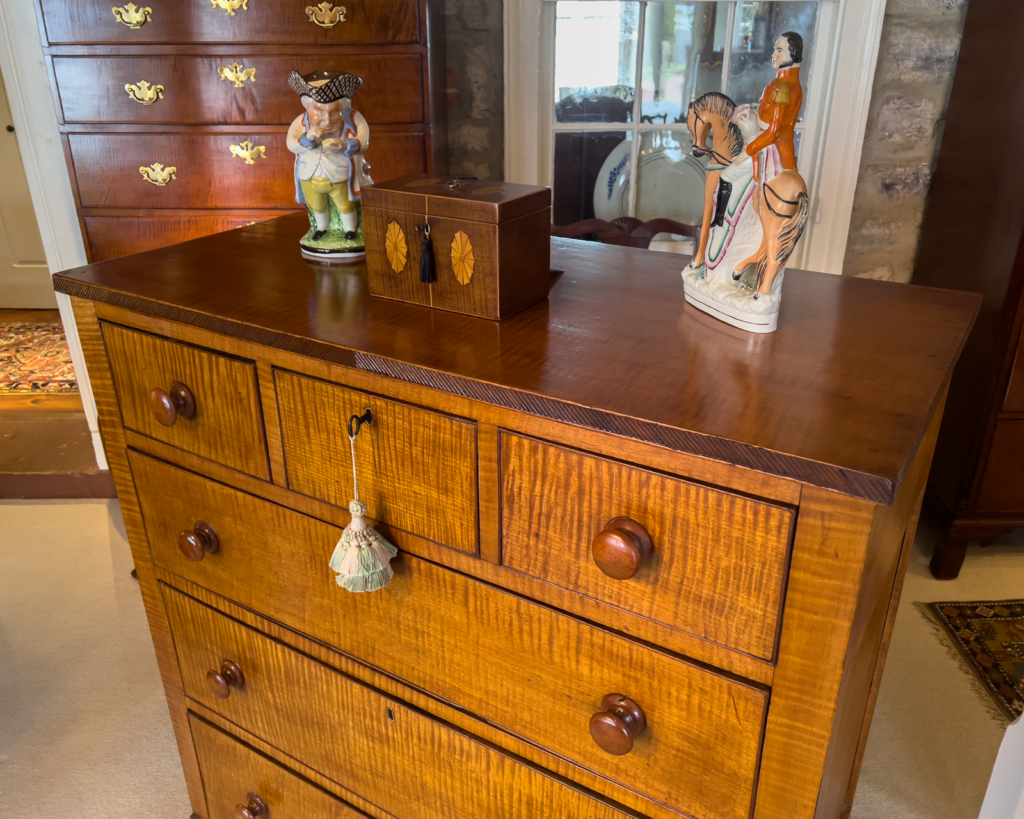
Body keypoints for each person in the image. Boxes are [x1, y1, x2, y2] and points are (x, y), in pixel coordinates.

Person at [287, 70, 370, 242]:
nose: (327, 120)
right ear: (307, 105)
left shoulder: (354, 119)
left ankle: (350, 229)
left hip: (339, 173)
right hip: (309, 174)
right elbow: (291, 144)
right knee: (316, 205)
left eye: (333, 113)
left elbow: (364, 140)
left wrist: (345, 144)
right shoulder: (300, 123)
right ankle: (322, 227)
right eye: (319, 112)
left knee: (345, 204)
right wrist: (307, 137)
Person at [745, 31, 803, 182]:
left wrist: (752, 147)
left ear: (793, 54)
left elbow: (773, 131)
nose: (773, 55)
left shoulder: (781, 87)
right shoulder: (793, 84)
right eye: (774, 50)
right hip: (782, 146)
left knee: (728, 175)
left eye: (779, 51)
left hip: (770, 147)